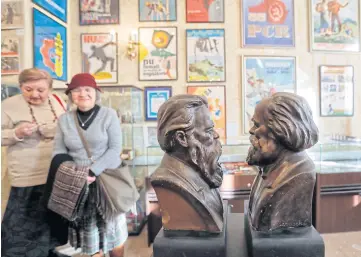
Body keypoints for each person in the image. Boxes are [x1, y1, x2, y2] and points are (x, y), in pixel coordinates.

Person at [52, 73, 127, 257]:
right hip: (79, 186)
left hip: (108, 182)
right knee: (91, 237)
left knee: (114, 234)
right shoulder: (64, 120)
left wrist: (92, 171)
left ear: (96, 93)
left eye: (87, 90)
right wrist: (75, 174)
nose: (82, 94)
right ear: (71, 95)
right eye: (77, 90)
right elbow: (59, 152)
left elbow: (115, 148)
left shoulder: (109, 115)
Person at [1, 68, 68, 257]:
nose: (34, 95)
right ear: (20, 87)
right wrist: (16, 134)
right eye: (28, 89)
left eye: (41, 90)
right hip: (25, 175)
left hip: (54, 172)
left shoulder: (58, 101)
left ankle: (47, 251)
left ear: (50, 89)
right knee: (22, 224)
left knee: (48, 219)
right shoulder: (8, 105)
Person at [150, 95, 224, 233]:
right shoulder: (168, 180)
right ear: (182, 138)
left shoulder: (199, 170)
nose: (215, 135)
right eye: (208, 130)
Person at [246, 92, 319, 231]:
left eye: (256, 125)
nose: (251, 131)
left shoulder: (298, 174)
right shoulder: (269, 168)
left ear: (281, 130)